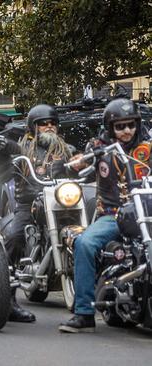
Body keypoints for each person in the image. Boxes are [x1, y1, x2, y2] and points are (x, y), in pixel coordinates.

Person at [59, 98, 150, 333]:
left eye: (131, 125)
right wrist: (76, 161)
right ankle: (84, 313)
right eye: (120, 126)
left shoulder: (148, 148)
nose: (127, 130)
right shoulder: (99, 147)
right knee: (85, 243)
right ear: (111, 127)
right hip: (113, 214)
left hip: (147, 214)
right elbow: (77, 164)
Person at [0, 104, 79, 322]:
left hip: (60, 203)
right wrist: (2, 152)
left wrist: (86, 159)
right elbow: (4, 167)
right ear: (32, 127)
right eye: (43, 124)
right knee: (14, 237)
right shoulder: (22, 150)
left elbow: (80, 166)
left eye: (52, 123)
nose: (49, 127)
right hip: (29, 202)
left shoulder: (67, 150)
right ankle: (8, 298)